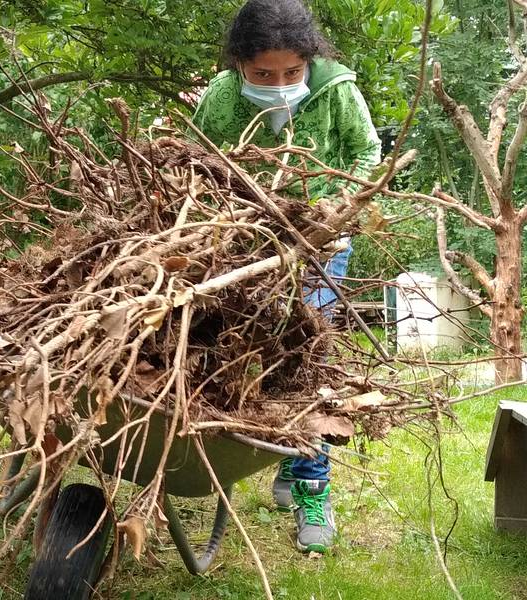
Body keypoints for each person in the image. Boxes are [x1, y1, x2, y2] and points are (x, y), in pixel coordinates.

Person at [191, 0, 381, 554]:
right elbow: (200, 165)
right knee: (245, 351)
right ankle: (276, 453)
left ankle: (311, 487)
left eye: (291, 73)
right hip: (245, 249)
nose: (279, 85)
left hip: (322, 244)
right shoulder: (221, 101)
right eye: (263, 75)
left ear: (309, 60)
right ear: (239, 66)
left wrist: (335, 208)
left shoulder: (337, 88)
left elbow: (366, 150)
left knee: (307, 357)